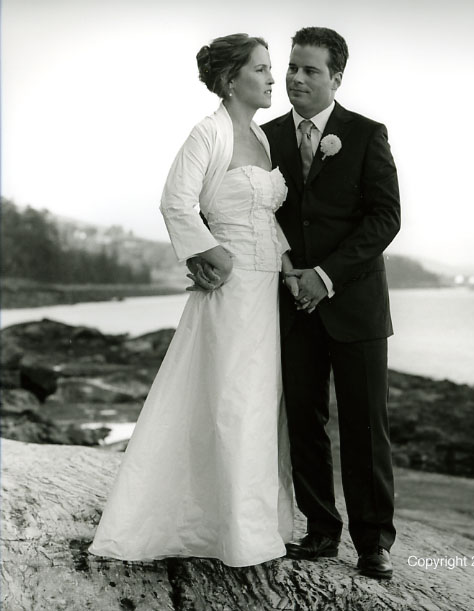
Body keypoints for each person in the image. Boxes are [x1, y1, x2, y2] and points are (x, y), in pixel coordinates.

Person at [88, 33, 296, 567]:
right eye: (261, 69)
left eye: (270, 68)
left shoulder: (262, 138)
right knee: (230, 402)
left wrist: (287, 263)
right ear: (230, 80)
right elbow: (175, 203)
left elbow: (262, 216)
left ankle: (252, 526)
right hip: (230, 293)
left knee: (259, 403)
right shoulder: (208, 133)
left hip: (266, 293)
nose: (272, 78)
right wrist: (211, 256)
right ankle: (221, 532)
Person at [266, 26, 401, 580]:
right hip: (291, 303)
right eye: (292, 67)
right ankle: (321, 529)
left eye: (310, 70)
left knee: (366, 425)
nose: (296, 78)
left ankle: (374, 542)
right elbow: (258, 215)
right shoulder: (265, 137)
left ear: (336, 78)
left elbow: (385, 218)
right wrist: (289, 273)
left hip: (356, 304)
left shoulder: (366, 134)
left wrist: (326, 276)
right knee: (303, 420)